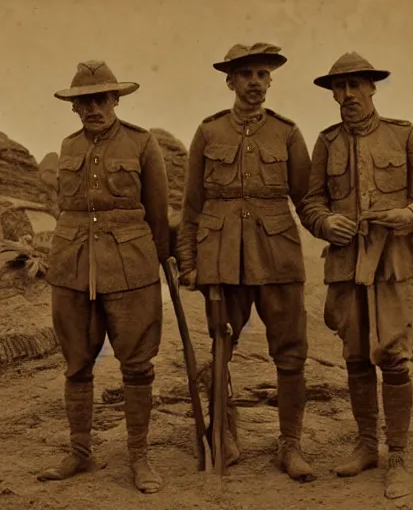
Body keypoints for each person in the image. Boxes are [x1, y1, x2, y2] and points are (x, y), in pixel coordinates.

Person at [299, 52, 413, 498]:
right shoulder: (326, 143)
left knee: (393, 356)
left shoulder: (403, 135)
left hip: (393, 263)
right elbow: (311, 204)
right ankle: (367, 446)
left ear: (372, 88)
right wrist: (326, 223)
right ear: (333, 93)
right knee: (353, 356)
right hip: (346, 266)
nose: (347, 95)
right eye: (339, 88)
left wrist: (411, 214)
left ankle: (398, 456)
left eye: (355, 86)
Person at [176, 43, 314, 482]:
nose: (255, 82)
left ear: (270, 81)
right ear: (230, 81)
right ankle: (225, 436)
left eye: (262, 74)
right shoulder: (208, 132)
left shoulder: (288, 133)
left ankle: (289, 446)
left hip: (278, 257)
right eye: (246, 75)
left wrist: (333, 230)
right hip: (221, 261)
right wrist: (188, 262)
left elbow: (307, 200)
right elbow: (192, 206)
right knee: (220, 351)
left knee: (291, 354)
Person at [38, 60, 170, 494]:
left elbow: (157, 212)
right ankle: (80, 451)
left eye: (100, 98)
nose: (93, 107)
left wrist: (158, 263)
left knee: (137, 365)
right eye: (83, 101)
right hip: (72, 267)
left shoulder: (142, 142)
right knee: (76, 364)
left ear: (116, 99)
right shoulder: (69, 146)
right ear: (74, 108)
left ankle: (139, 456)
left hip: (130, 269)